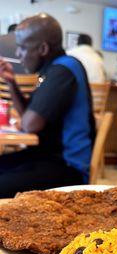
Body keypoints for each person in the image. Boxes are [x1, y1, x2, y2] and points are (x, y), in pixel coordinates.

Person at [0, 13, 95, 198]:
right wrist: (11, 82)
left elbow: (30, 124)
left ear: (43, 48)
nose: (18, 54)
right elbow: (28, 114)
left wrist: (27, 118)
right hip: (45, 157)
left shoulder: (63, 70)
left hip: (69, 169)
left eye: (22, 47)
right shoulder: (52, 70)